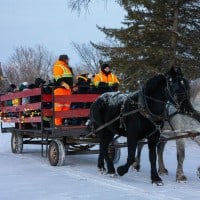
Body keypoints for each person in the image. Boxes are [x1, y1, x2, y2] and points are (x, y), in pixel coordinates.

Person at [53, 54, 73, 126]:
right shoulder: (58, 66)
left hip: (68, 90)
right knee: (59, 106)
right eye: (67, 59)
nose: (68, 60)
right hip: (60, 89)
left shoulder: (66, 67)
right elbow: (57, 77)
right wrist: (63, 84)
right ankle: (57, 124)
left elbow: (69, 77)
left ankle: (62, 122)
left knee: (66, 106)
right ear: (64, 59)